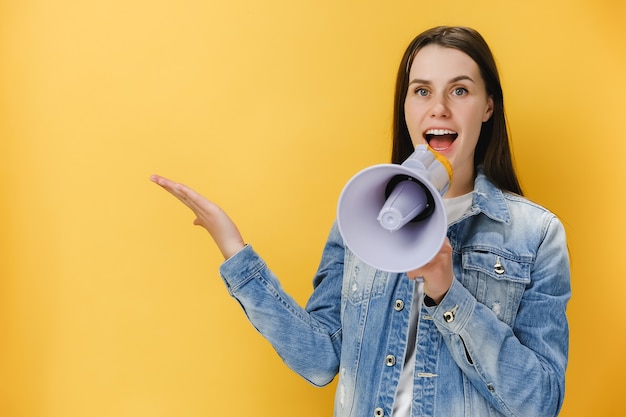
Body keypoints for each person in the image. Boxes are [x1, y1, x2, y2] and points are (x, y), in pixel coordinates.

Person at [150, 26, 571, 417]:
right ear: (405, 106)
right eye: (421, 91)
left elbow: (541, 401)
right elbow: (320, 359)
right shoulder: (362, 215)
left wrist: (448, 295)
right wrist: (236, 253)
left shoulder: (535, 235)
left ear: (488, 107)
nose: (438, 108)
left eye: (459, 90)